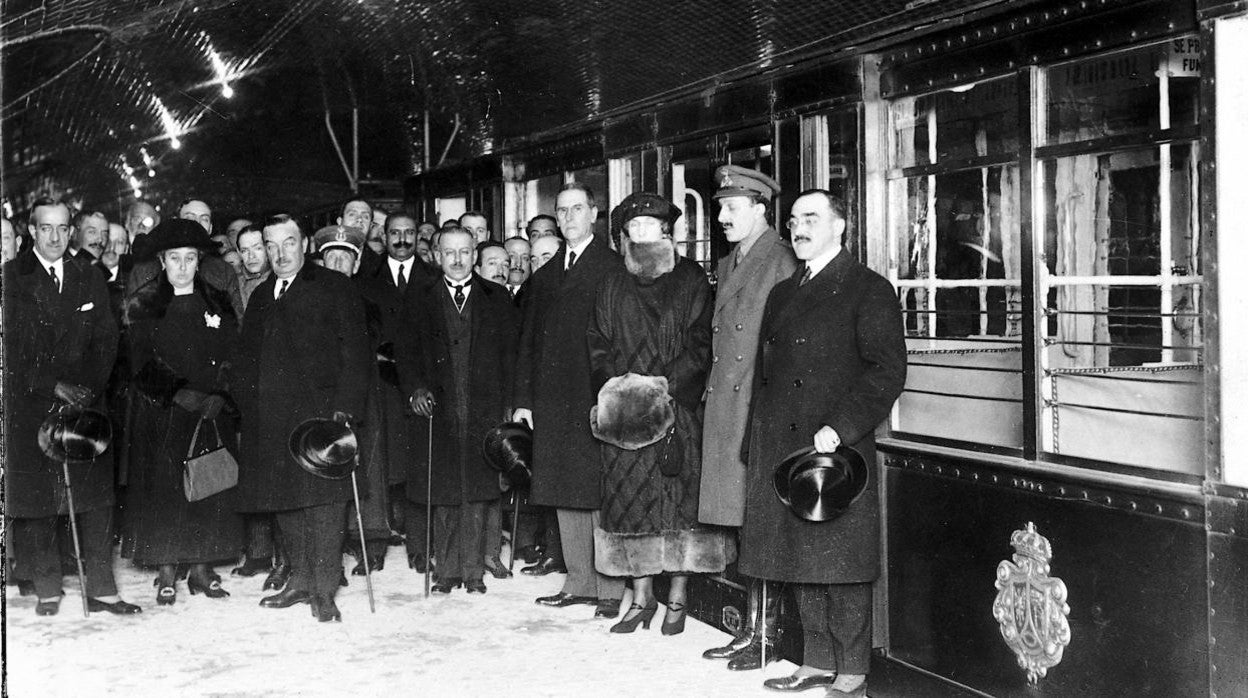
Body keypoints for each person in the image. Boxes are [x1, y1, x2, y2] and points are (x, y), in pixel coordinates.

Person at [738, 189, 906, 696]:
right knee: (797, 554)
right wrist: (755, 439)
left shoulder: (867, 288)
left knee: (841, 562)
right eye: (793, 220)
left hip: (835, 446)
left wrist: (841, 426)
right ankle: (814, 660)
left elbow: (886, 371)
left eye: (811, 218)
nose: (799, 228)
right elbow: (766, 377)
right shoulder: (783, 292)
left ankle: (852, 669)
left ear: (841, 227)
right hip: (783, 442)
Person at [586, 192, 728, 635]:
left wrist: (664, 391)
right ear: (624, 234)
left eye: (653, 225)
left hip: (674, 410)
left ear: (668, 231)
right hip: (625, 416)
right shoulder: (610, 283)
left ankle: (678, 597)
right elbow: (598, 342)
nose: (644, 233)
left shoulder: (690, 280)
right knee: (629, 507)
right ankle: (642, 597)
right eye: (635, 227)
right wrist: (619, 391)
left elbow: (700, 345)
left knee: (678, 507)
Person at [3, 197, 139, 617]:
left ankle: (101, 588)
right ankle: (47, 586)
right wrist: (53, 386)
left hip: (86, 404)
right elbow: (12, 350)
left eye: (64, 228)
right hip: (35, 403)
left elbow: (107, 337)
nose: (57, 236)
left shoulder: (88, 274)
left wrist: (88, 388)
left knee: (95, 500)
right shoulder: (12, 277)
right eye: (47, 228)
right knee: (41, 500)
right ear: (32, 232)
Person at [233, 213, 371, 623]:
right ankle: (300, 579)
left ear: (305, 243)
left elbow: (356, 354)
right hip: (272, 420)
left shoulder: (334, 288)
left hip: (321, 420)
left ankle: (324, 591)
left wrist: (345, 408)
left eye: (288, 243)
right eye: (271, 245)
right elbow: (246, 359)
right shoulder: (261, 297)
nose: (279, 254)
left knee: (325, 507)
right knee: (285, 504)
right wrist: (247, 403)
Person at [699, 166, 799, 669]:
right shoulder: (738, 258)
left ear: (761, 209)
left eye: (732, 208)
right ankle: (752, 629)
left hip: (753, 411)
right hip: (728, 408)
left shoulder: (778, 260)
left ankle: (767, 635)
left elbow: (779, 350)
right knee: (743, 525)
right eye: (719, 207)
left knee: (759, 524)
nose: (721, 217)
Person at [513, 182, 626, 619]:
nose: (568, 217)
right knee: (563, 487)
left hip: (596, 393)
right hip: (553, 399)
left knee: (599, 491)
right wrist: (524, 399)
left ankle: (610, 588)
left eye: (577, 209)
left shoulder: (613, 267)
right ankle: (578, 580)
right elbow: (527, 343)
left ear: (594, 213)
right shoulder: (545, 275)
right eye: (561, 211)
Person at [122, 219, 243, 606]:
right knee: (166, 487)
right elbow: (139, 361)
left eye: (190, 258)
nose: (182, 266)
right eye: (174, 258)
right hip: (165, 412)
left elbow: (232, 352)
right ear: (162, 260)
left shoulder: (217, 300)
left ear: (199, 261)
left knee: (208, 484)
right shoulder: (145, 302)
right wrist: (179, 394)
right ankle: (167, 568)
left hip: (210, 411)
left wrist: (220, 392)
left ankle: (203, 567)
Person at [399, 227, 519, 594]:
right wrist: (415, 388)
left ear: (474, 254)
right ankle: (447, 572)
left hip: (483, 408)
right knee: (447, 491)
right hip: (440, 410)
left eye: (464, 252)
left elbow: (511, 357)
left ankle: (473, 573)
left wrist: (511, 404)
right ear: (437, 255)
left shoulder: (496, 297)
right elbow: (405, 353)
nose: (456, 260)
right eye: (449, 252)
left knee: (479, 492)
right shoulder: (418, 298)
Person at [358, 213, 436, 572]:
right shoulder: (365, 280)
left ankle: (420, 548)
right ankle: (373, 547)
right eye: (395, 233)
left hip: (420, 386)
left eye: (409, 233)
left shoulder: (432, 278)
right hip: (381, 385)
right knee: (377, 466)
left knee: (419, 466)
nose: (402, 240)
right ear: (384, 236)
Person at [235, 223, 271, 311]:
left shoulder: (282, 278)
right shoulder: (233, 284)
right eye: (244, 251)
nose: (251, 256)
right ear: (239, 253)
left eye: (258, 248)